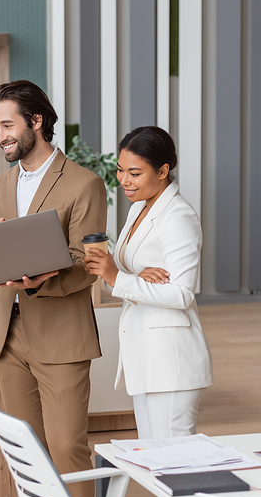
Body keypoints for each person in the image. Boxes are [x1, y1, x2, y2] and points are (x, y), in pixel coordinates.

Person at [0, 80, 107, 497]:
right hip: (8, 334)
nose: (0, 137)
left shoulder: (84, 184)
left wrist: (40, 278)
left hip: (60, 334)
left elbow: (87, 261)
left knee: (67, 444)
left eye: (7, 125)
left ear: (36, 121)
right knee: (27, 449)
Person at [84, 126, 213, 440]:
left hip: (170, 361)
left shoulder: (178, 217)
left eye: (135, 173)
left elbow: (182, 293)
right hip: (145, 357)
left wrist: (118, 276)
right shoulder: (139, 208)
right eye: (120, 170)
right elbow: (127, 272)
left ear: (163, 171)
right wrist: (128, 275)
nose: (124, 180)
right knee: (156, 462)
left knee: (175, 464)